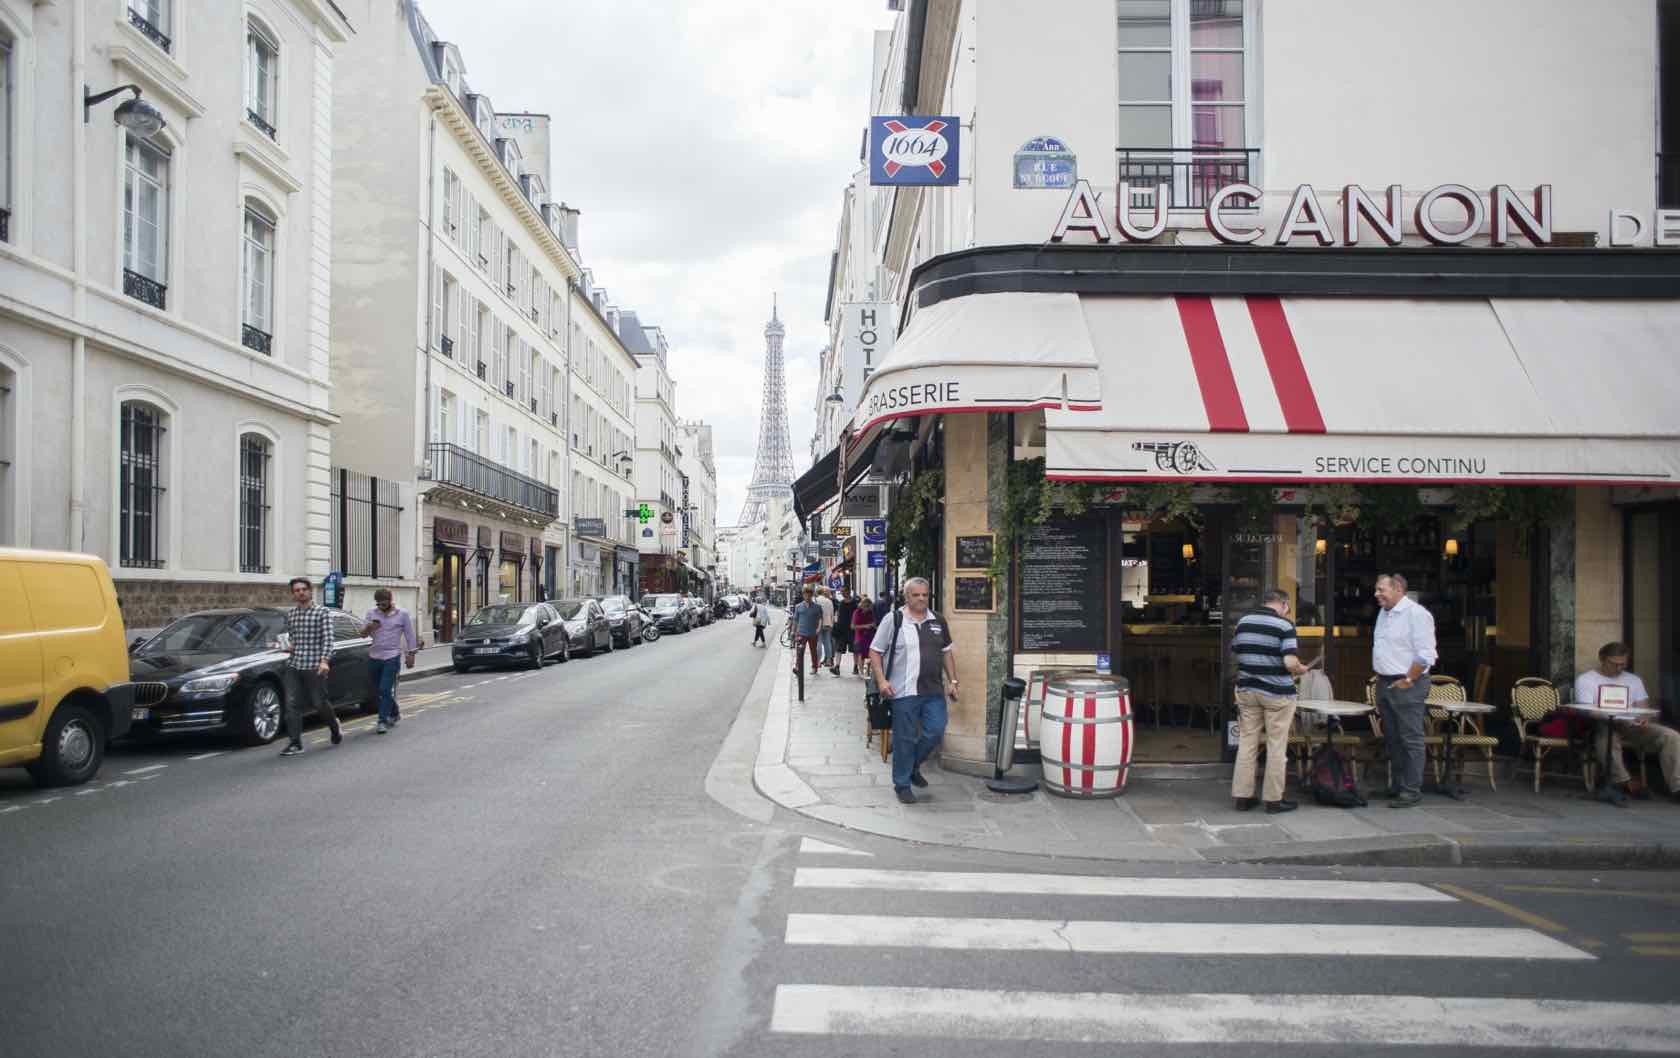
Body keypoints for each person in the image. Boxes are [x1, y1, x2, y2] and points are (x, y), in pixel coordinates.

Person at [869, 577, 958, 805]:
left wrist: (953, 681)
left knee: (935, 730)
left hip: (933, 690)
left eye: (925, 595)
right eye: (916, 595)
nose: (921, 599)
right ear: (906, 597)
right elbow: (875, 651)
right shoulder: (894, 620)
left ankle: (913, 766)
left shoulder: (938, 620)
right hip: (903, 691)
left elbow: (947, 652)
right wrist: (881, 681)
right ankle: (902, 784)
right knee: (904, 739)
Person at [1230, 589, 1313, 814]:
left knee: (1247, 743)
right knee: (1276, 745)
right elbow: (1289, 661)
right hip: (1277, 693)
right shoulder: (1285, 626)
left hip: (1247, 690)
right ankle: (1274, 800)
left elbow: (1236, 652)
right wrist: (1300, 668)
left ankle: (1243, 797)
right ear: (1284, 604)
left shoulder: (1243, 622)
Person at [1575, 642, 1680, 804]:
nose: (1618, 669)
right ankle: (1623, 782)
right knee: (1607, 735)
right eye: (1614, 664)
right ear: (1602, 659)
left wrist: (1644, 718)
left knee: (1671, 736)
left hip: (1632, 725)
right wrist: (1612, 716)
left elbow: (1643, 707)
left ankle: (1677, 787)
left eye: (1622, 664)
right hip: (1603, 722)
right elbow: (1587, 710)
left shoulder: (1633, 680)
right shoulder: (1586, 680)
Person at [1371, 573, 1436, 807]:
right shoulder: (1384, 612)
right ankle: (1398, 786)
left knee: (1410, 738)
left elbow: (1426, 654)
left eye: (1381, 590)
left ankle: (1411, 789)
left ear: (1398, 589)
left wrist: (1409, 678)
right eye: (1377, 590)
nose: (1377, 594)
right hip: (1385, 682)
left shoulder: (1417, 614)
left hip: (1407, 683)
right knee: (1393, 738)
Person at [279, 576, 340, 756]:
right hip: (294, 664)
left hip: (315, 665)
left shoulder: (322, 612)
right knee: (291, 704)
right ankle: (295, 742)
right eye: (297, 590)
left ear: (310, 591)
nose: (300, 593)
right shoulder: (292, 614)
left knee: (319, 703)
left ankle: (334, 727)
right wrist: (287, 646)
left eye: (303, 589)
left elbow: (328, 639)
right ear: (293, 594)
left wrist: (324, 661)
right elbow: (292, 638)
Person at [362, 588, 418, 735]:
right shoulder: (371, 613)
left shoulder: (402, 614)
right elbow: (362, 634)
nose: (381, 606)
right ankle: (394, 712)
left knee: (385, 689)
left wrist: (411, 654)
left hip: (392, 656)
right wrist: (369, 627)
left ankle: (382, 720)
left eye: (384, 603)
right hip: (374, 656)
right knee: (377, 690)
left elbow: (410, 635)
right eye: (379, 604)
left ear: (390, 600)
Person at [791, 585, 822, 675]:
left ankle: (814, 667)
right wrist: (793, 631)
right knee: (799, 652)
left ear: (812, 595)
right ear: (803, 595)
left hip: (813, 632)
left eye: (809, 595)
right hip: (801, 632)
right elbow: (795, 619)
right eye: (805, 595)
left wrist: (819, 628)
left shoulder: (817, 607)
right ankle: (797, 667)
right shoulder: (798, 606)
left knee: (813, 651)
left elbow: (820, 618)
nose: (807, 597)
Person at [850, 597, 876, 676]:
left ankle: (866, 672)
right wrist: (865, 626)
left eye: (869, 607)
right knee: (861, 654)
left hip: (869, 636)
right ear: (863, 605)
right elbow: (853, 626)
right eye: (867, 606)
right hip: (860, 637)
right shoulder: (857, 612)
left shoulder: (870, 613)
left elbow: (873, 622)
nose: (868, 608)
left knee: (868, 654)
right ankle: (862, 672)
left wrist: (873, 625)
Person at [833, 590, 856, 676]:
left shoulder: (854, 603)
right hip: (842, 630)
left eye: (843, 592)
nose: (842, 594)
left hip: (851, 629)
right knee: (839, 649)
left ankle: (856, 666)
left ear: (848, 593)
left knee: (854, 650)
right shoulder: (842, 603)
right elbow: (839, 616)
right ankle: (837, 666)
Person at [815, 586, 837, 673]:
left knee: (818, 642)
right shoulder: (829, 601)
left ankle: (817, 662)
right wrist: (832, 624)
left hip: (818, 624)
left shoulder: (816, 600)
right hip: (828, 623)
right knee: (827, 642)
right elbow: (832, 613)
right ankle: (828, 660)